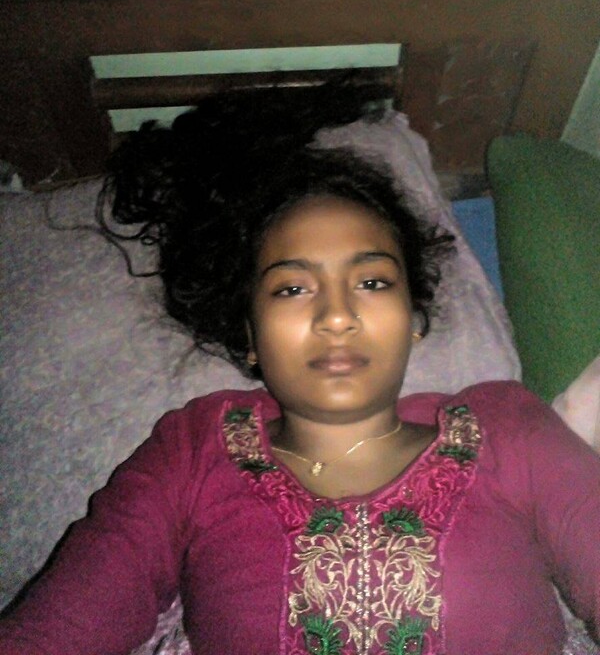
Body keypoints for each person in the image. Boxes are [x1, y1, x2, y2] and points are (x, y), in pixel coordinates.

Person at [0, 91, 599, 655]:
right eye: (291, 288)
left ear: (413, 319)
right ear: (250, 336)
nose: (336, 315)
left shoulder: (506, 428)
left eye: (372, 282)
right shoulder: (193, 451)